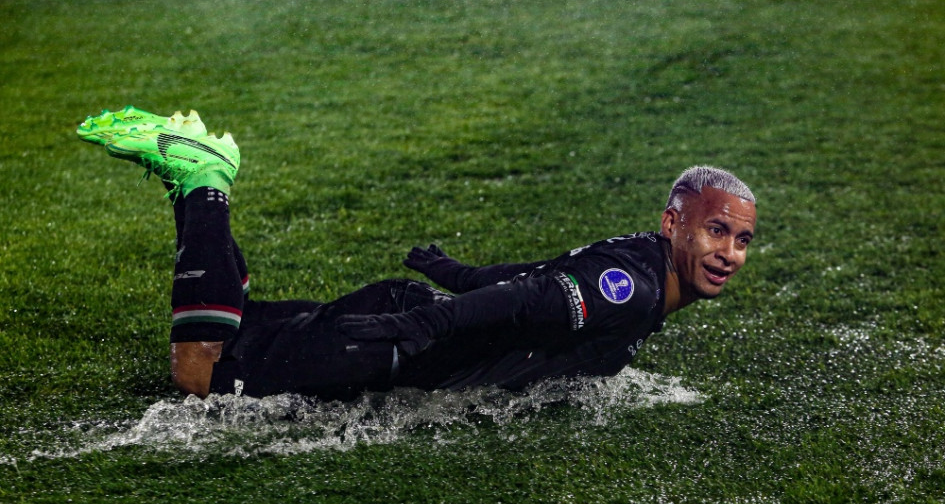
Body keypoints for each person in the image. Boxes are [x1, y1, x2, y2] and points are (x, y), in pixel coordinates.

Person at [77, 106, 757, 401]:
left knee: (234, 324)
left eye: (741, 239)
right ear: (673, 224)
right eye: (715, 230)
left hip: (400, 325)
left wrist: (450, 277)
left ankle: (193, 182)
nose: (727, 251)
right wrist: (428, 323)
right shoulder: (630, 288)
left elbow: (533, 278)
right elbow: (531, 296)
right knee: (199, 380)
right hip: (394, 346)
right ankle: (203, 183)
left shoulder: (636, 258)